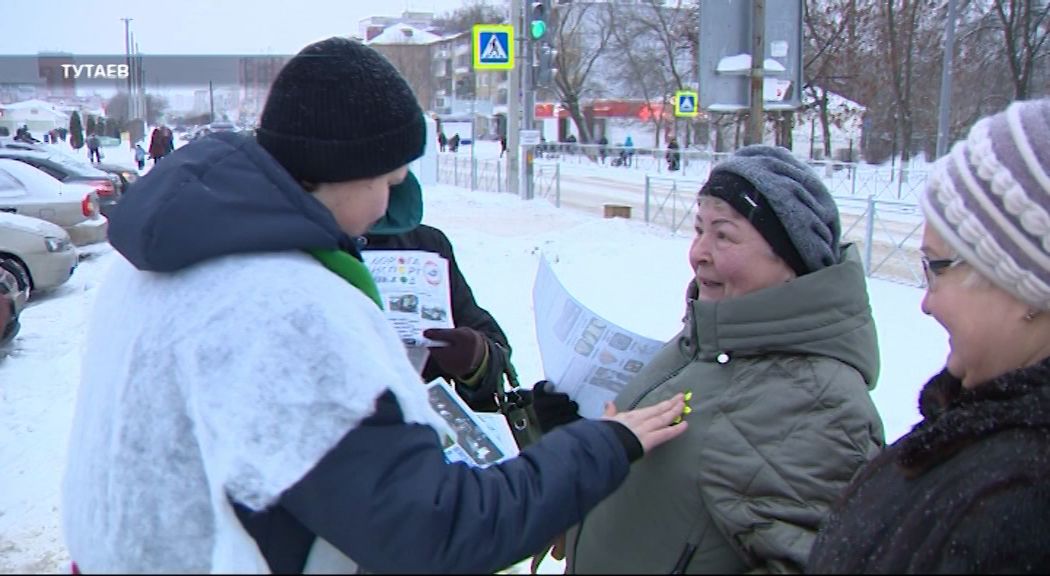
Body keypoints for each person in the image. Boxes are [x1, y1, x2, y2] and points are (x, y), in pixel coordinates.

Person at [61, 37, 688, 574]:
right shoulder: (285, 304)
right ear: (347, 170)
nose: (391, 207)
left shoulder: (168, 253)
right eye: (390, 182)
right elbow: (434, 531)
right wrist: (604, 445)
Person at [541, 145, 885, 573]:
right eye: (699, 229)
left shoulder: (820, 405)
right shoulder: (707, 344)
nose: (698, 252)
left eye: (723, 234)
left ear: (791, 262)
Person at [807, 99, 1050, 574]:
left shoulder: (1020, 501)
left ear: (1031, 287)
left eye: (937, 268)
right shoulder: (988, 437)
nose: (926, 302)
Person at [362, 203, 512, 413]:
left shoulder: (425, 245)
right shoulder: (303, 248)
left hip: (417, 427)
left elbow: (492, 343)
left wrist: (476, 358)